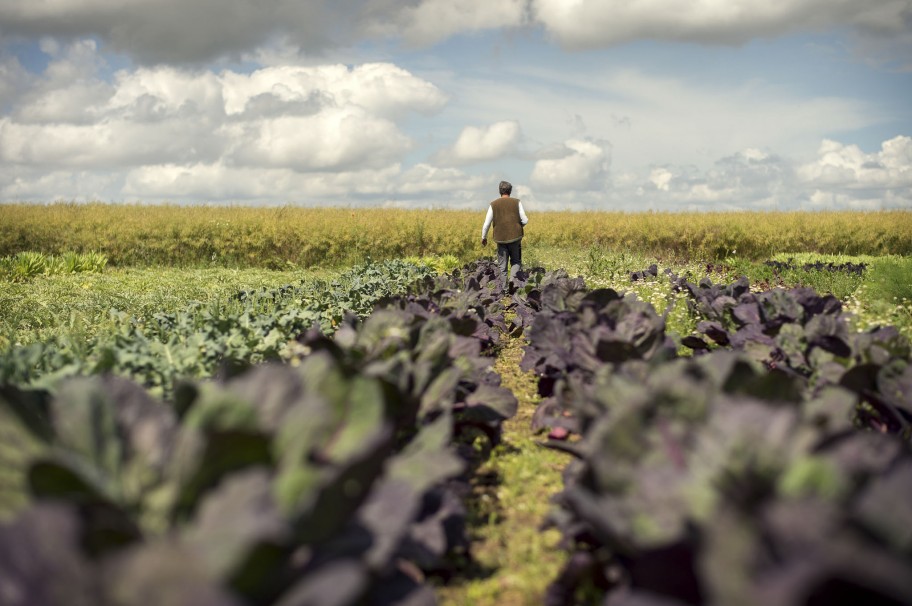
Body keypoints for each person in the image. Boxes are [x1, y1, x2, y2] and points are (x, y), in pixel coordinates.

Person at [481, 180, 529, 281]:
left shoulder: (493, 204)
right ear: (510, 191)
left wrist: (484, 237)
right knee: (516, 262)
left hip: (500, 239)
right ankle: (512, 284)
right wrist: (517, 227)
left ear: (500, 191)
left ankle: (503, 288)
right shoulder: (517, 202)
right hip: (515, 238)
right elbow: (525, 220)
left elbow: (486, 224)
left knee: (502, 266)